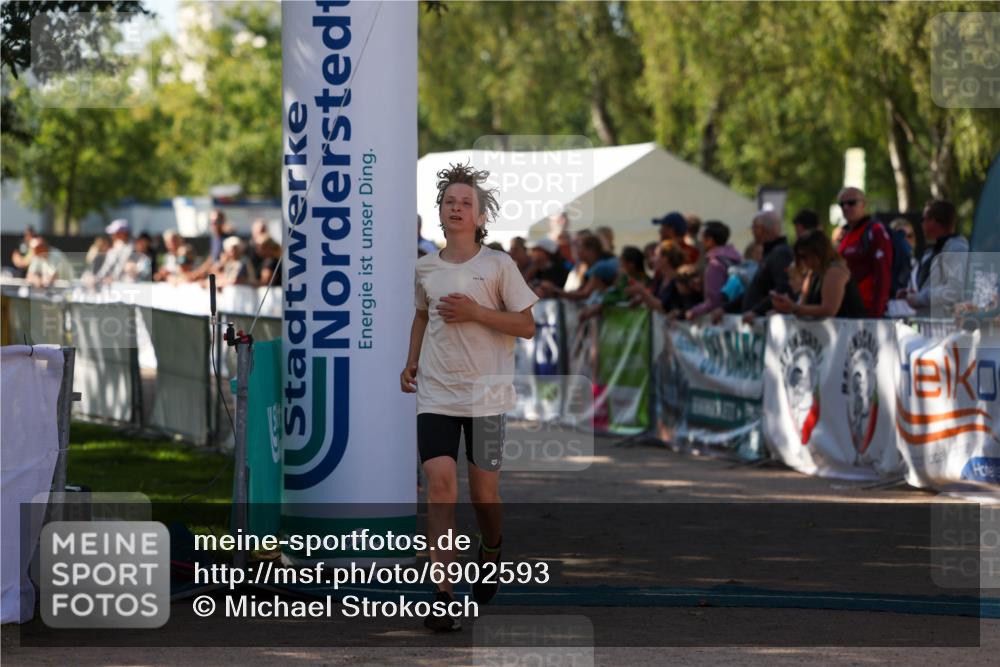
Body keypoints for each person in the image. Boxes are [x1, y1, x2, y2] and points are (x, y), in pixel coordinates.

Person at [401, 163, 537, 632]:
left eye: (465, 203)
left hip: (488, 396)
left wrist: (477, 312)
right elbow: (422, 317)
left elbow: (528, 326)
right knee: (440, 487)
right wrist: (411, 360)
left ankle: (492, 547)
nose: (456, 208)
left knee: (484, 497)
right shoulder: (425, 266)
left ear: (480, 217)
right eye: (449, 202)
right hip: (436, 392)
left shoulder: (498, 265)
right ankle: (442, 594)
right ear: (439, 212)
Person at [772, 230, 866, 319]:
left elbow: (829, 310)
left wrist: (793, 308)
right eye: (800, 257)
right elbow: (803, 305)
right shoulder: (813, 273)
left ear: (818, 252)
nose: (803, 261)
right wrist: (786, 307)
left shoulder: (835, 271)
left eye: (805, 257)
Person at [897, 200, 968, 316]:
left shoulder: (956, 248)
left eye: (923, 219)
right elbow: (933, 285)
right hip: (928, 323)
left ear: (933, 221)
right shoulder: (932, 251)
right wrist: (913, 293)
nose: (922, 224)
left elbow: (953, 290)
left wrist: (918, 298)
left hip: (944, 326)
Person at [835, 187, 893, 318]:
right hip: (846, 308)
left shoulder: (875, 231)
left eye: (851, 203)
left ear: (864, 204)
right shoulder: (845, 235)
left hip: (866, 309)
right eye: (841, 204)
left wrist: (876, 311)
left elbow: (883, 273)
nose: (846, 207)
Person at [741, 210, 793, 321]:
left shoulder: (779, 253)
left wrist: (756, 311)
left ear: (760, 229)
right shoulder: (771, 253)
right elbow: (756, 289)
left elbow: (783, 287)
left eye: (753, 228)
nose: (752, 232)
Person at [686, 221, 742, 320]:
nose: (699, 241)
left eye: (701, 237)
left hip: (724, 320)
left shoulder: (715, 264)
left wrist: (693, 312)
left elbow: (714, 301)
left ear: (710, 240)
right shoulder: (736, 257)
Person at [548, 235, 615, 302]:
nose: (576, 251)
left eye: (579, 248)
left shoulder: (601, 266)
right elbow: (580, 290)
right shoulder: (591, 266)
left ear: (591, 250)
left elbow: (584, 294)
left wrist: (555, 290)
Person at [95, 219, 135, 283]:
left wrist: (112, 278)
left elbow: (121, 268)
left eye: (116, 233)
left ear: (123, 233)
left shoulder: (133, 248)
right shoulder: (115, 248)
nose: (113, 236)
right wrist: (97, 278)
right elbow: (106, 268)